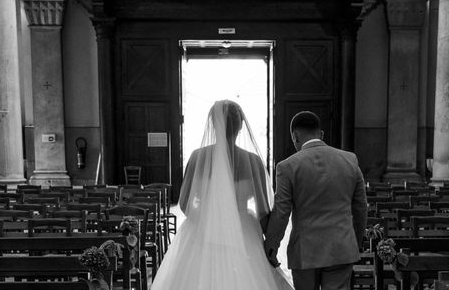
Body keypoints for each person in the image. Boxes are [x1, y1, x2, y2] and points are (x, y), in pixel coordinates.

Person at [151, 100, 293, 290]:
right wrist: (270, 245)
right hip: (244, 230)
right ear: (241, 125)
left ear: (213, 124)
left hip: (202, 229)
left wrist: (207, 222)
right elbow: (263, 210)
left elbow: (184, 203)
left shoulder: (197, 157)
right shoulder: (253, 161)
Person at [264, 111, 368, 290]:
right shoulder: (350, 160)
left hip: (305, 252)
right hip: (341, 247)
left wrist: (271, 247)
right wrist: (355, 242)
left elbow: (282, 212)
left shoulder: (287, 167)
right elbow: (360, 208)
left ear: (295, 136)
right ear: (321, 134)